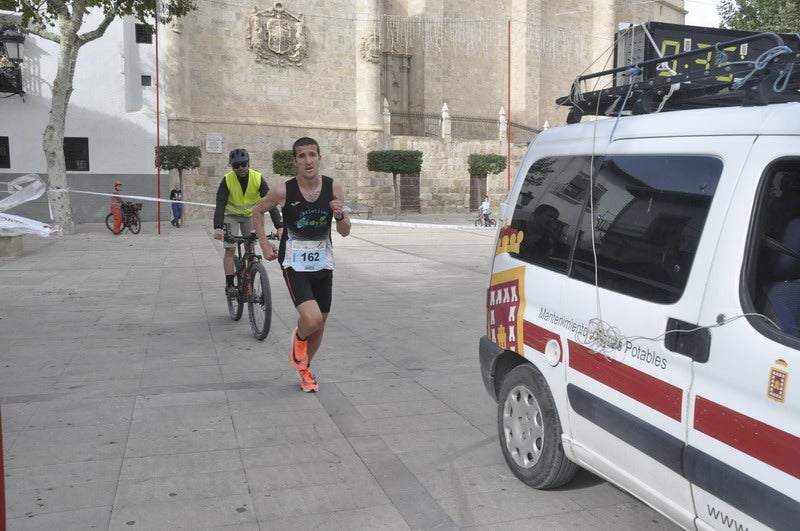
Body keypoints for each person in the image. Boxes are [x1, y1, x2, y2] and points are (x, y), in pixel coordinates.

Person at [252, 137, 351, 393]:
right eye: (302, 156)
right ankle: (299, 337)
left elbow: (345, 231)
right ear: (295, 161)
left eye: (312, 155)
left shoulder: (333, 187)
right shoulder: (283, 191)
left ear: (319, 157)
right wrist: (264, 244)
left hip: (323, 263)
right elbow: (257, 210)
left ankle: (305, 369)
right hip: (294, 263)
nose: (308, 160)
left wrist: (340, 215)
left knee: (321, 323)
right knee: (311, 319)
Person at [213, 148, 283, 299]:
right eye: (236, 166)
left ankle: (250, 276)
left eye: (243, 164)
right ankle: (231, 285)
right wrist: (218, 227)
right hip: (231, 216)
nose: (240, 168)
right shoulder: (227, 180)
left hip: (250, 216)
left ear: (248, 163)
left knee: (250, 245)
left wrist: (280, 226)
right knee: (230, 249)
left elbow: (270, 203)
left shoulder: (257, 178)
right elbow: (220, 203)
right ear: (231, 166)